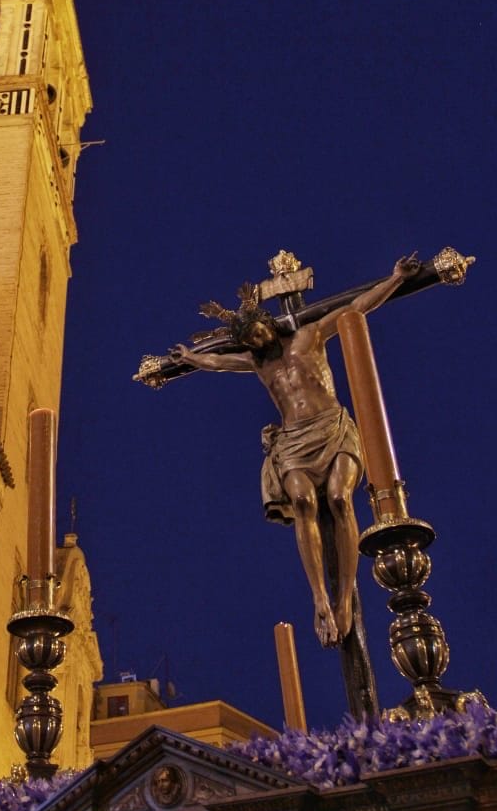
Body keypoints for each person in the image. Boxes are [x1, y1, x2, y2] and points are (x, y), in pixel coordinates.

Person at [170, 255, 420, 648]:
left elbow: (355, 308)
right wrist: (189, 359)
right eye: (248, 340)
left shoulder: (309, 336)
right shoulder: (258, 364)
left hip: (331, 429)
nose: (255, 341)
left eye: (256, 332)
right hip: (294, 441)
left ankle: (344, 599)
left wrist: (394, 278)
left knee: (339, 500)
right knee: (303, 503)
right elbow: (216, 362)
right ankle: (319, 597)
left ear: (266, 323)